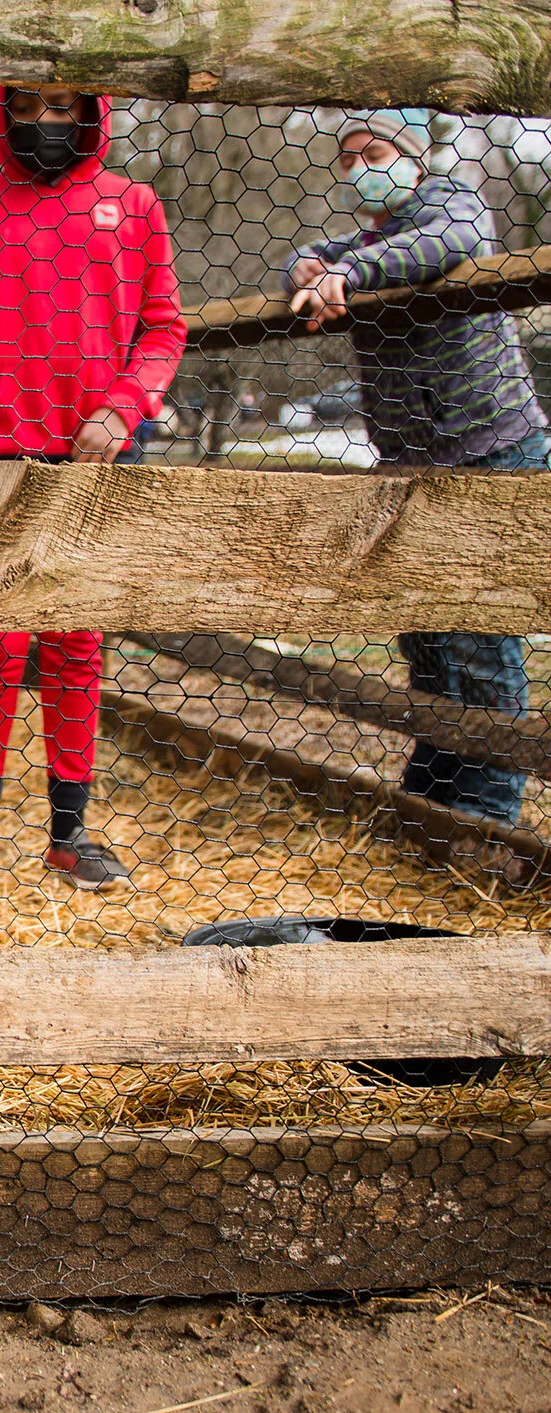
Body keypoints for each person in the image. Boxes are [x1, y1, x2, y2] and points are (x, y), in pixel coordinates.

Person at [0, 87, 185, 893]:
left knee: (77, 650)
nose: (49, 122)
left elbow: (165, 328)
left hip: (97, 467)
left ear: (94, 111)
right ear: (6, 111)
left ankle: (70, 837)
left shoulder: (133, 205)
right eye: (31, 105)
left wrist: (124, 406)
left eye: (66, 106)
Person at [288, 112, 548, 856]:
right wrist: (308, 269)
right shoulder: (365, 241)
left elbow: (451, 244)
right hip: (413, 461)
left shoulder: (452, 200)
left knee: (481, 642)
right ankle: (434, 802)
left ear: (414, 155)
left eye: (374, 152)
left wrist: (349, 274)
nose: (360, 167)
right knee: (429, 644)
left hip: (487, 450)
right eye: (348, 159)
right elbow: (313, 254)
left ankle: (488, 825)